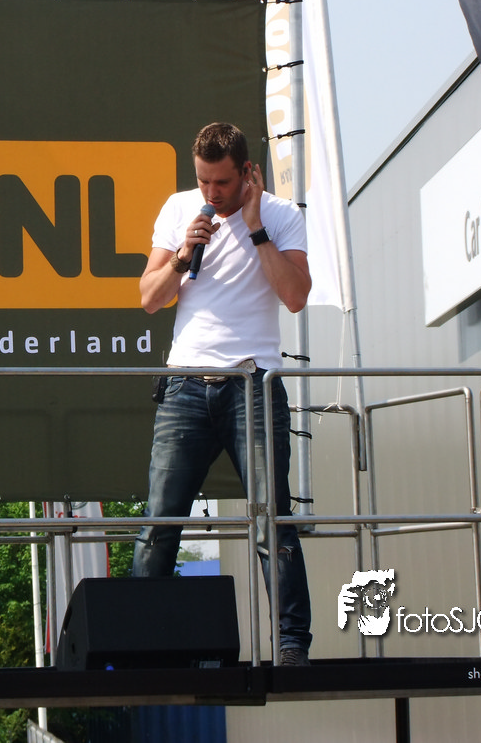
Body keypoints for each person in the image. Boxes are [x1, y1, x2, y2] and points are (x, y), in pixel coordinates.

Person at [133, 121, 314, 667]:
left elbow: (296, 296)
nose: (212, 193)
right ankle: (141, 648)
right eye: (204, 181)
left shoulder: (281, 215)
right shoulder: (178, 209)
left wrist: (255, 229)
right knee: (160, 521)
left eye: (223, 183)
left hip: (252, 383)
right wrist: (183, 253)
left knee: (270, 519)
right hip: (185, 383)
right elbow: (149, 298)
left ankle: (291, 644)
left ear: (247, 173)